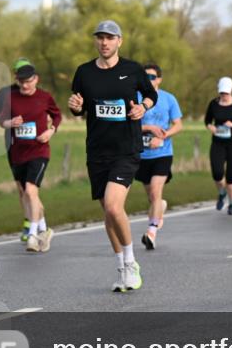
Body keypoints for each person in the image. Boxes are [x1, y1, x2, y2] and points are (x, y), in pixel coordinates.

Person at [68, 20, 158, 292]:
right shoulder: (84, 72)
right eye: (100, 38)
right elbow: (78, 106)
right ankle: (121, 267)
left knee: (112, 206)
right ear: (96, 41)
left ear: (119, 41)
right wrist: (75, 107)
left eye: (109, 38)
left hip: (126, 149)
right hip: (97, 150)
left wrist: (143, 107)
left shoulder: (132, 69)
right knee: (108, 215)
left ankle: (131, 262)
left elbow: (151, 94)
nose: (104, 42)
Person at [0, 59, 61, 252]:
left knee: (31, 191)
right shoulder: (11, 97)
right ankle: (44, 229)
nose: (25, 85)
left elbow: (57, 115)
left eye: (28, 81)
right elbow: (2, 121)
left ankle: (32, 234)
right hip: (18, 152)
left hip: (39, 150)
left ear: (36, 79)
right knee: (27, 194)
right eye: (21, 82)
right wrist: (11, 123)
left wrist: (51, 131)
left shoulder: (44, 97)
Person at [137, 63, 183, 250]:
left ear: (159, 80)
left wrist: (163, 135)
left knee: (156, 191)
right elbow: (128, 125)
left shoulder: (168, 98)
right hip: (142, 155)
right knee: (152, 197)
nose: (148, 80)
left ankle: (151, 232)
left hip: (163, 153)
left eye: (152, 77)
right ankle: (159, 209)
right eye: (145, 77)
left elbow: (178, 125)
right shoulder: (135, 99)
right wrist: (148, 128)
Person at [205, 76, 232, 216]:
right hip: (218, 143)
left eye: (226, 93)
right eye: (222, 93)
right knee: (217, 173)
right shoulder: (213, 104)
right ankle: (222, 193)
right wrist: (212, 128)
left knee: (231, 176)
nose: (224, 95)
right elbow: (207, 121)